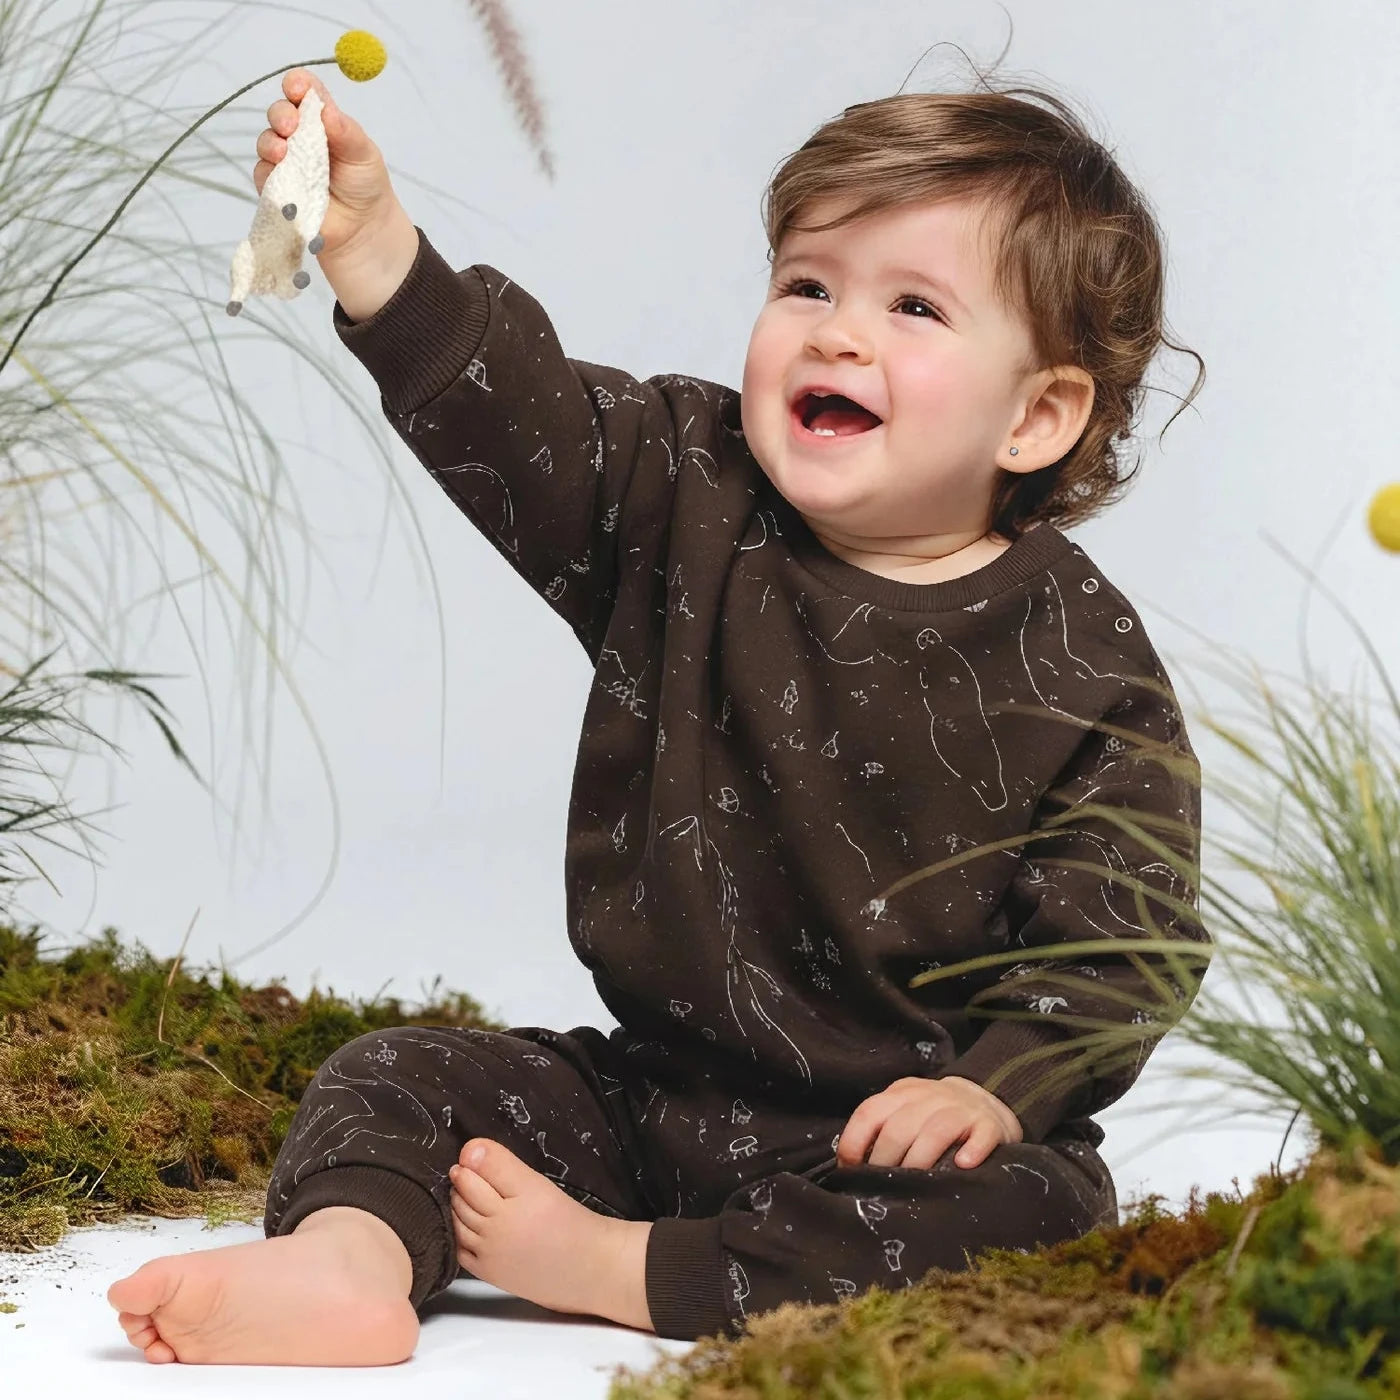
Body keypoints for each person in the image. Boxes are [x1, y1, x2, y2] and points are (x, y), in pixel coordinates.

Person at [107, 63, 1211, 1365]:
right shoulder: (686, 491)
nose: (836, 333)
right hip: (660, 1099)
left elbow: (1122, 939)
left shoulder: (1081, 655)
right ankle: (345, 1264)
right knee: (398, 1075)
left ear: (1037, 416)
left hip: (898, 1136)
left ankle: (629, 1273)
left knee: (1035, 1208)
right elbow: (522, 422)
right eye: (807, 284)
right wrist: (370, 245)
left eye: (913, 306)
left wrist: (992, 1087)